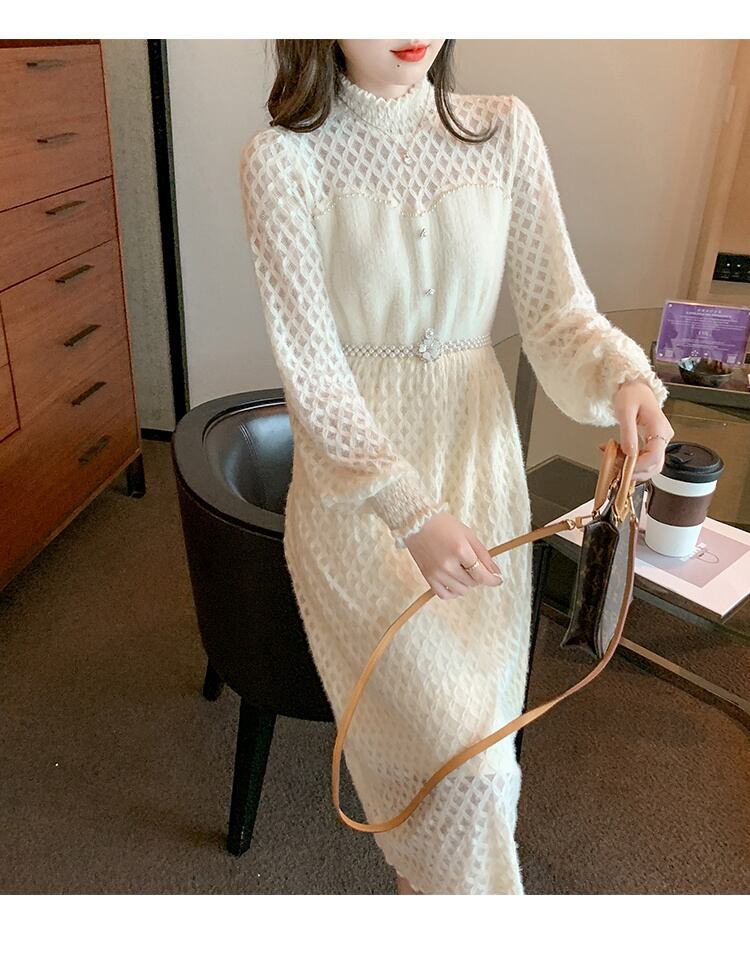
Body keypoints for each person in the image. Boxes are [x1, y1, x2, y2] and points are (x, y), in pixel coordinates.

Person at [239, 39, 674, 895]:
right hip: (358, 498)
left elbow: (558, 314)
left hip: (479, 474)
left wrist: (624, 379)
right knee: (473, 768)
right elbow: (314, 376)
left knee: (477, 749)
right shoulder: (280, 160)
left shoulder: (503, 130)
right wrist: (408, 510)